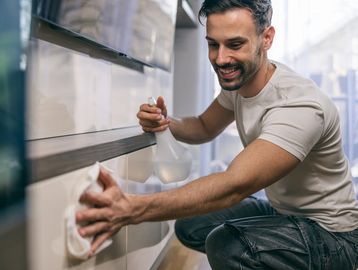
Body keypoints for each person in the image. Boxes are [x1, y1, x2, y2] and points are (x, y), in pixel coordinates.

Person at [76, 0, 358, 269]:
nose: (221, 59)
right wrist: (165, 122)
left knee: (227, 246)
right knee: (191, 224)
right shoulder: (239, 85)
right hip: (284, 212)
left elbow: (234, 184)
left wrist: (132, 208)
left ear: (267, 38)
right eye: (213, 44)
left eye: (235, 44)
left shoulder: (298, 104)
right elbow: (203, 126)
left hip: (334, 235)